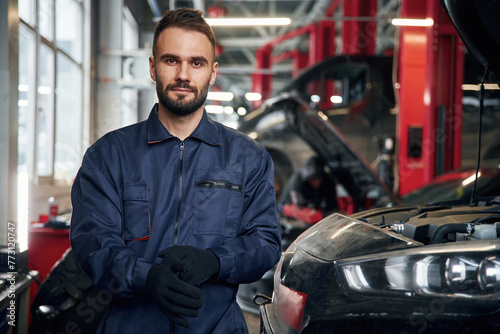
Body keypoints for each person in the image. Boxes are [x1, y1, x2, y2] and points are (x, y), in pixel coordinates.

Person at [69, 8, 282, 333]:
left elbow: (265, 241)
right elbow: (93, 242)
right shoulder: (109, 155)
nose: (184, 74)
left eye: (196, 63)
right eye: (172, 61)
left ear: (212, 73)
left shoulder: (247, 157)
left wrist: (214, 261)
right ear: (154, 68)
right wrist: (147, 276)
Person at [278, 156, 338, 224]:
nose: (316, 182)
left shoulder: (328, 181)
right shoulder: (297, 180)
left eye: (318, 178)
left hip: (315, 208)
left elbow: (332, 204)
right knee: (309, 215)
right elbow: (298, 204)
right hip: (288, 206)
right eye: (312, 179)